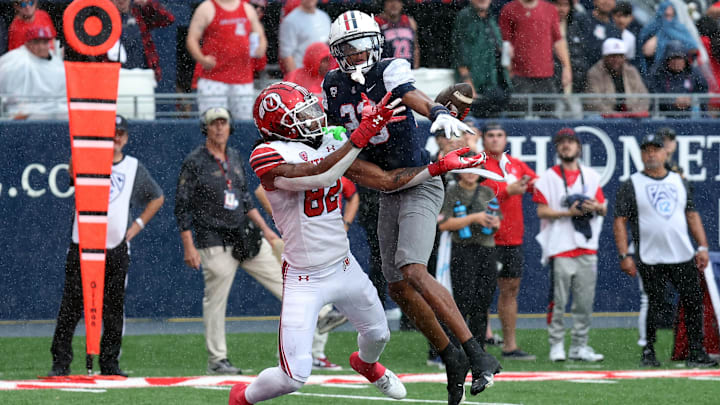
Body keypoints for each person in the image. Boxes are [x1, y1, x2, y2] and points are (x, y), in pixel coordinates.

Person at [230, 81, 485, 404]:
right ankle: (242, 398)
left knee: (379, 334)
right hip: (304, 277)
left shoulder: (330, 138)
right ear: (280, 124)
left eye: (311, 108)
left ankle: (366, 364)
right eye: (301, 114)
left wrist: (435, 167)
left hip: (344, 265)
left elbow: (384, 180)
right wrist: (359, 135)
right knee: (293, 375)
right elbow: (319, 174)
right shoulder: (266, 154)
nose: (313, 117)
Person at [323, 11, 502, 404]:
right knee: (397, 285)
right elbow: (342, 147)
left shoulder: (389, 69)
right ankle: (449, 354)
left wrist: (436, 111)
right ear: (338, 54)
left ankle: (477, 353)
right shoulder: (333, 86)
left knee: (413, 269)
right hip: (387, 186)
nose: (359, 54)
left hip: (420, 179)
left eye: (365, 45)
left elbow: (410, 94)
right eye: (350, 50)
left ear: (378, 43)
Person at [49, 115, 165, 377]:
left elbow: (157, 198)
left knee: (113, 309)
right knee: (71, 306)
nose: (116, 138)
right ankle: (60, 362)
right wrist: (88, 145)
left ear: (126, 138)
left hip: (115, 246)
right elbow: (71, 171)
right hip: (83, 244)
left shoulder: (133, 166)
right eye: (111, 133)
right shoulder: (88, 159)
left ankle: (110, 363)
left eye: (120, 134)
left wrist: (136, 226)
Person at [175, 107, 284, 375]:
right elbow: (182, 204)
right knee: (215, 301)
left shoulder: (234, 156)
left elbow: (245, 199)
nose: (219, 128)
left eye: (223, 123)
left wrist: (268, 231)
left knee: (283, 278)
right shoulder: (195, 161)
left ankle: (322, 315)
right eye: (214, 124)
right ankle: (217, 359)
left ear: (230, 127)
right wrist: (189, 244)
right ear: (206, 128)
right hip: (214, 240)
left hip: (243, 236)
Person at [613, 133, 718, 368]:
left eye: (655, 150)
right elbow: (620, 220)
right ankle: (648, 350)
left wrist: (702, 246)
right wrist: (624, 254)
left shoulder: (679, 181)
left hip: (681, 253)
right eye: (647, 150)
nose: (651, 154)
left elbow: (691, 214)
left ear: (665, 153)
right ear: (641, 154)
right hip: (650, 255)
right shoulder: (632, 184)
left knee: (692, 302)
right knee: (654, 303)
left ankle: (696, 351)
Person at [533, 128, 606, 362]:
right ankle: (557, 344)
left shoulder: (591, 176)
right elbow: (541, 210)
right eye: (562, 143)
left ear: (578, 147)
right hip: (560, 246)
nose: (566, 146)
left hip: (587, 246)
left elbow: (603, 207)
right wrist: (568, 212)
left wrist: (593, 207)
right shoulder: (548, 177)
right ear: (557, 148)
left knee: (585, 302)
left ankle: (579, 346)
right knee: (559, 300)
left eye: (570, 142)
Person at [479, 122, 537, 362]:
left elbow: (536, 184)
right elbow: (477, 195)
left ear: (506, 139)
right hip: (485, 238)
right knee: (480, 292)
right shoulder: (479, 163)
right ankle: (478, 340)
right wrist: (506, 191)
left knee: (510, 290)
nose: (495, 140)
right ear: (483, 139)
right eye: (490, 135)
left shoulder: (515, 165)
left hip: (512, 238)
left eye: (499, 135)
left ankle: (510, 346)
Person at [437, 170, 501, 350]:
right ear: (460, 172)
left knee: (483, 301)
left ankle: (479, 349)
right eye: (468, 170)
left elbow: (498, 221)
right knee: (463, 300)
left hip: (486, 249)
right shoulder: (452, 192)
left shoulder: (487, 192)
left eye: (476, 170)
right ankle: (458, 347)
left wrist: (493, 223)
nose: (472, 174)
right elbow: (444, 224)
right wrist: (474, 218)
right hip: (463, 250)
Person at [187, 0, 267, 120]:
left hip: (243, 81)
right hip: (213, 80)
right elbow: (192, 39)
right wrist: (202, 59)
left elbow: (260, 36)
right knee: (213, 125)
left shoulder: (247, 9)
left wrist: (261, 48)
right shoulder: (207, 8)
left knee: (244, 126)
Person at [499, 0, 572, 114]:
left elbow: (558, 41)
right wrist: (509, 71)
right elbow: (505, 44)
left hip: (546, 76)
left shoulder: (550, 9)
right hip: (519, 76)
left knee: (548, 117)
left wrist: (567, 67)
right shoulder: (509, 9)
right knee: (518, 117)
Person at [453, 0, 512, 118]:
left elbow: (494, 47)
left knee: (495, 120)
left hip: (494, 81)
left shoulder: (491, 17)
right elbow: (459, 52)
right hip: (477, 83)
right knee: (476, 122)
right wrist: (467, 83)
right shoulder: (465, 17)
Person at [0, 25, 66, 119]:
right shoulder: (16, 60)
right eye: (36, 42)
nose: (41, 47)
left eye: (44, 42)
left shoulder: (57, 64)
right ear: (27, 44)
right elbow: (11, 101)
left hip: (54, 111)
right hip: (26, 113)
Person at [107, 0, 175, 82]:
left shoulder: (139, 12)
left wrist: (147, 3)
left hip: (142, 76)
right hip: (112, 77)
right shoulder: (102, 15)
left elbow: (168, 19)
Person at [584, 38, 649, 114]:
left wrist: (634, 112)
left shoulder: (631, 71)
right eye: (613, 56)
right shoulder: (595, 72)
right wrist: (613, 115)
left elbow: (644, 97)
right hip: (604, 118)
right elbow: (593, 102)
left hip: (631, 117)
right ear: (605, 57)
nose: (617, 59)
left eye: (620, 56)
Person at [639, 1, 698, 78]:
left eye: (671, 16)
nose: (669, 20)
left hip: (680, 72)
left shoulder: (680, 28)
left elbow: (693, 48)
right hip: (659, 72)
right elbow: (646, 51)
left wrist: (676, 49)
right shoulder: (652, 29)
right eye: (666, 15)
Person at [648, 40, 708, 115]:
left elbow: (703, 90)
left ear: (685, 60)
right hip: (664, 116)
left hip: (690, 115)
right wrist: (672, 101)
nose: (676, 62)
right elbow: (654, 93)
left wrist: (691, 99)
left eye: (679, 58)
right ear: (667, 60)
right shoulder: (657, 73)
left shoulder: (693, 72)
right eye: (672, 58)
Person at [277, 0, 330, 74]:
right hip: (303, 74)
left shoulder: (324, 17)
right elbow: (287, 55)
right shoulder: (290, 21)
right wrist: (295, 80)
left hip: (323, 75)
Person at [375, 0, 420, 68]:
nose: (394, 4)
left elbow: (415, 48)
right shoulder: (376, 22)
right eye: (390, 1)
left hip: (408, 69)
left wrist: (415, 69)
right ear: (384, 4)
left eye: (397, 1)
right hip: (387, 70)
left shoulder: (409, 21)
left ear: (402, 4)